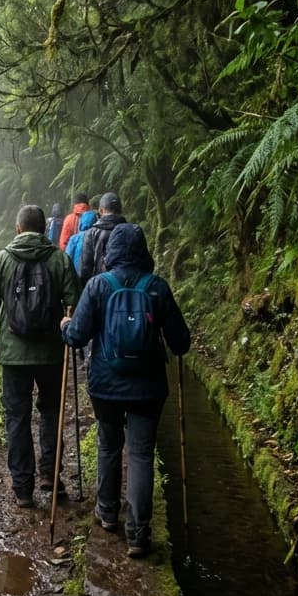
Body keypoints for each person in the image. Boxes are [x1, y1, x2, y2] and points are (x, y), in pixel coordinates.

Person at [60, 223, 190, 556]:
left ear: (111, 251)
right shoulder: (157, 288)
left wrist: (65, 327)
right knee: (142, 453)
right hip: (148, 388)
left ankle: (106, 512)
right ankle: (138, 533)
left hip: (105, 384)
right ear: (144, 249)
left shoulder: (97, 286)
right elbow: (181, 342)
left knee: (109, 445)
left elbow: (77, 337)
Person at [0, 204, 81, 507]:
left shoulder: (2, 260)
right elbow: (75, 300)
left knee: (17, 417)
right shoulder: (59, 259)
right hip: (51, 352)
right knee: (51, 411)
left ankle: (23, 488)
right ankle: (50, 475)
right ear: (44, 228)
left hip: (13, 354)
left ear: (18, 228)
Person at [78, 190, 127, 284]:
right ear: (120, 210)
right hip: (125, 289)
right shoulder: (130, 231)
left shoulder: (91, 233)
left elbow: (85, 269)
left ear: (101, 211)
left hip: (100, 287)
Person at [65, 208, 97, 274]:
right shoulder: (97, 237)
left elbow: (68, 258)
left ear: (81, 222)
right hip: (92, 276)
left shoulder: (74, 238)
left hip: (76, 274)